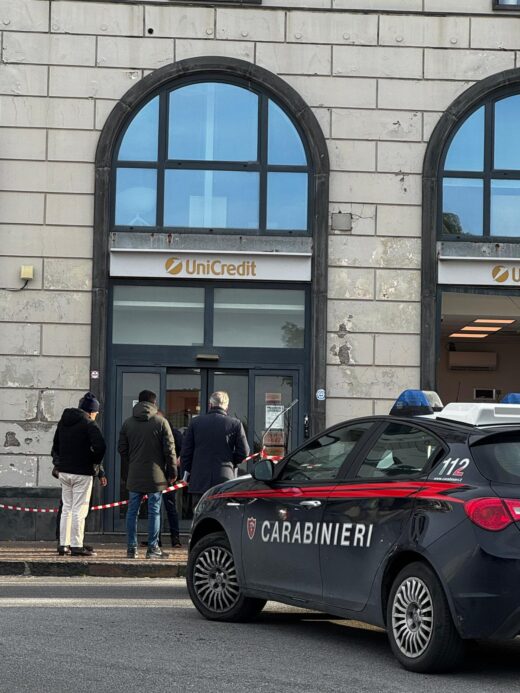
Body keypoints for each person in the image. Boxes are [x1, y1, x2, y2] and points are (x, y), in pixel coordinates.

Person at [118, 390, 177, 559]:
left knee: (132, 511)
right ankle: (153, 549)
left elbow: (121, 448)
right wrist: (172, 472)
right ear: (154, 403)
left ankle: (131, 548)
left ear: (139, 402)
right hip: (156, 476)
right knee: (154, 512)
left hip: (135, 474)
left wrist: (132, 463)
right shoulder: (161, 422)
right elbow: (170, 450)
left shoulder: (128, 423)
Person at [51, 392, 107, 557]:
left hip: (64, 472)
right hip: (82, 472)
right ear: (91, 411)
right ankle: (76, 545)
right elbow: (101, 447)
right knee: (79, 510)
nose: (96, 415)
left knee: (67, 508)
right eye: (96, 412)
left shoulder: (63, 422)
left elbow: (55, 446)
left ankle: (63, 544)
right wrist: (94, 462)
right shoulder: (89, 424)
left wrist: (59, 463)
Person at [182, 391, 249, 507]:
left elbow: (186, 453)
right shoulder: (235, 424)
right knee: (223, 515)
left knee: (200, 515)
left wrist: (186, 474)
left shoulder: (195, 422)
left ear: (210, 405)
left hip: (199, 480)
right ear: (226, 407)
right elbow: (244, 452)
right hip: (224, 480)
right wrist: (230, 460)